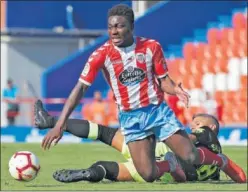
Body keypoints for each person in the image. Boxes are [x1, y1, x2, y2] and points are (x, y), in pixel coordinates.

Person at [41, 4, 245, 183]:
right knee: (148, 174)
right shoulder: (100, 55)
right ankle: (170, 165)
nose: (114, 31)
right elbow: (80, 88)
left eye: (119, 26)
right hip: (130, 118)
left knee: (191, 156)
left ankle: (222, 160)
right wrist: (59, 125)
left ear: (131, 27)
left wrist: (175, 90)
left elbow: (163, 81)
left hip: (157, 112)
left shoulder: (151, 47)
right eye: (111, 26)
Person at [35, 100, 246, 183]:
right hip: (162, 171)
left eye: (197, 122)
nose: (193, 125)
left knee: (104, 133)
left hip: (160, 150)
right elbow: (237, 173)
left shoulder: (206, 134)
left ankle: (51, 121)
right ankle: (88, 172)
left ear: (212, 127)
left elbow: (188, 140)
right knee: (111, 170)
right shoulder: (216, 161)